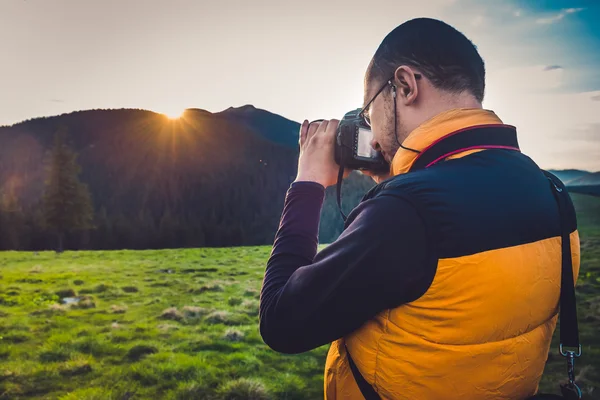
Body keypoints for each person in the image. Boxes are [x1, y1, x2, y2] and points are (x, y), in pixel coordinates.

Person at [259, 18, 580, 399]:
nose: (373, 134)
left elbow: (281, 322)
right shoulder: (550, 190)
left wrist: (308, 183)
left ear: (406, 86)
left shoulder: (407, 213)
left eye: (370, 110)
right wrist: (400, 178)